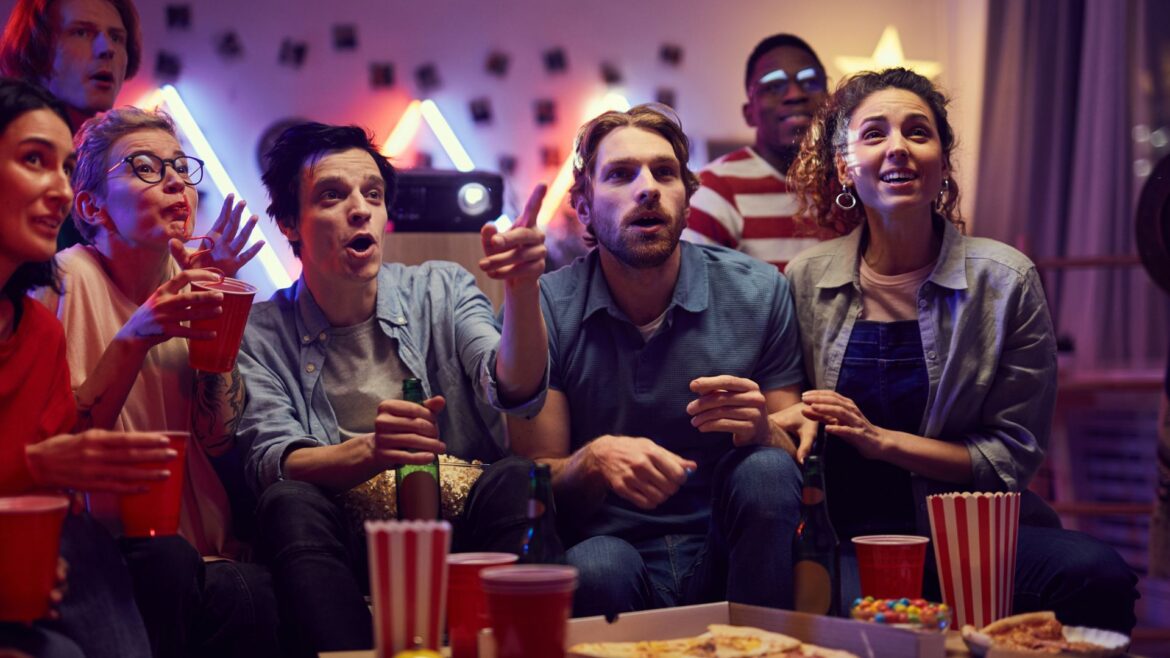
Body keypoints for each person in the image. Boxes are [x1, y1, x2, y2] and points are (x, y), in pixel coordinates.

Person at [784, 67, 1139, 633]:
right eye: (874, 134)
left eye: (917, 132)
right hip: (843, 536)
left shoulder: (1006, 280)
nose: (897, 147)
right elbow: (792, 415)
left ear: (943, 163)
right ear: (846, 165)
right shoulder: (805, 279)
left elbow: (1009, 458)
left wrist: (883, 442)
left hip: (966, 539)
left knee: (1098, 575)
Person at [236, 121, 551, 656]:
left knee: (521, 479)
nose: (359, 208)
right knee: (287, 502)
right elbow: (271, 460)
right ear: (290, 223)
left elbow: (513, 388)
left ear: (385, 215)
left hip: (457, 527)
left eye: (372, 195)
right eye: (332, 196)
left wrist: (522, 288)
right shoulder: (260, 332)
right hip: (341, 538)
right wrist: (369, 452)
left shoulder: (441, 287)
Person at [507, 104, 805, 618]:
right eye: (621, 175)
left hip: (728, 548)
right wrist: (593, 460)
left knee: (767, 470)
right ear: (582, 203)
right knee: (599, 564)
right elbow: (536, 479)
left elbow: (794, 455)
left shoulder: (760, 292)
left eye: (664, 173)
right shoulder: (546, 307)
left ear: (688, 201)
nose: (647, 188)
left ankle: (763, 649)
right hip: (609, 555)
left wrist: (763, 429)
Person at [31, 105, 280, 658]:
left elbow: (216, 437)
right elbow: (62, 439)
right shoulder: (63, 280)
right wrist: (138, 331)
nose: (174, 181)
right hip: (104, 538)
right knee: (169, 566)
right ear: (91, 206)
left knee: (254, 589)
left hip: (199, 539)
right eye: (144, 167)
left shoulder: (192, 280)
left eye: (179, 167)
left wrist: (218, 328)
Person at [0, 76, 161, 658]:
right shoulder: (73, 283)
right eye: (34, 160)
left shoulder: (37, 332)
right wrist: (32, 464)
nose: (59, 190)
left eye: (65, 168)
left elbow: (50, 492)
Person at [684, 34, 835, 270]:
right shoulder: (714, 189)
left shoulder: (853, 185)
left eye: (810, 82)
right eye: (773, 86)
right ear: (749, 113)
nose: (795, 95)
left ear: (830, 102)